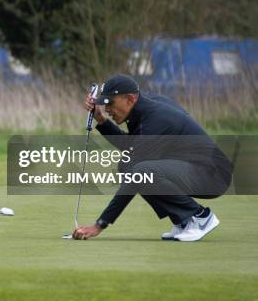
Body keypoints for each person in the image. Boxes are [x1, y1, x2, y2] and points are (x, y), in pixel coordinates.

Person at [73, 74, 232, 241]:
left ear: (130, 98)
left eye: (110, 103)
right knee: (128, 166)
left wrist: (99, 225)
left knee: (140, 171)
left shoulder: (155, 119)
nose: (107, 109)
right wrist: (100, 119)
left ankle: (200, 217)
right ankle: (184, 221)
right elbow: (133, 146)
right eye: (104, 104)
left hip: (213, 176)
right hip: (193, 167)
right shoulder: (142, 107)